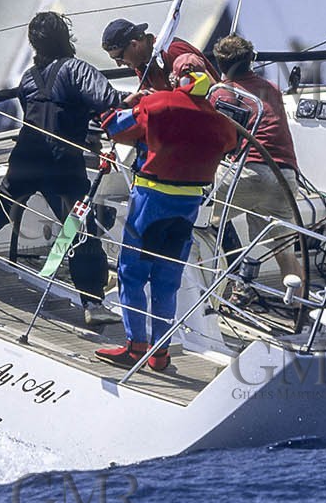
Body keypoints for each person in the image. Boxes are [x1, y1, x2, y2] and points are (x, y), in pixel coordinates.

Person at [0, 12, 121, 321]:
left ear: (34, 43)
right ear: (65, 37)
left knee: (2, 201)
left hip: (27, 155)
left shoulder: (28, 77)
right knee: (78, 227)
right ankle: (92, 303)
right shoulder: (77, 69)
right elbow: (107, 99)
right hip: (63, 163)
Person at [96, 53, 237, 371]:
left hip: (151, 200)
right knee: (166, 278)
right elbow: (230, 144)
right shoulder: (221, 120)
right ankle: (160, 352)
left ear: (177, 78)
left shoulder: (159, 103)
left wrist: (125, 104)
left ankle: (135, 347)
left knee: (132, 274)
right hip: (187, 207)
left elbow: (114, 128)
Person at [210, 34, 304, 286]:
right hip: (284, 176)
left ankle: (217, 288)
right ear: (251, 60)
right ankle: (300, 308)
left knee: (200, 221)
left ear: (219, 64)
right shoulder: (271, 88)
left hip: (247, 173)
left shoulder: (220, 93)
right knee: (285, 252)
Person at [101, 17, 216, 96]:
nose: (119, 64)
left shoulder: (173, 52)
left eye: (119, 57)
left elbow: (208, 93)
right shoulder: (141, 65)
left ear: (134, 44)